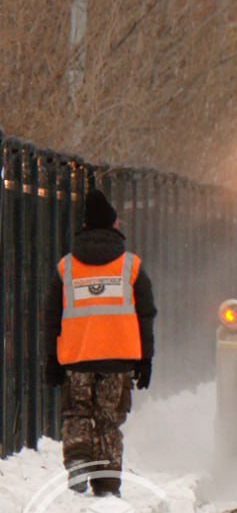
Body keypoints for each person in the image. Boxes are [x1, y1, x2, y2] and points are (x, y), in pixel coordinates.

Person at [45, 189, 157, 496]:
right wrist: (145, 359)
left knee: (77, 413)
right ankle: (106, 485)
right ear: (114, 226)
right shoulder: (131, 267)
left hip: (77, 357)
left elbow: (51, 318)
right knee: (108, 420)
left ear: (83, 227)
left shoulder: (66, 267)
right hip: (118, 360)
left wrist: (51, 362)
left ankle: (79, 461)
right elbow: (146, 315)